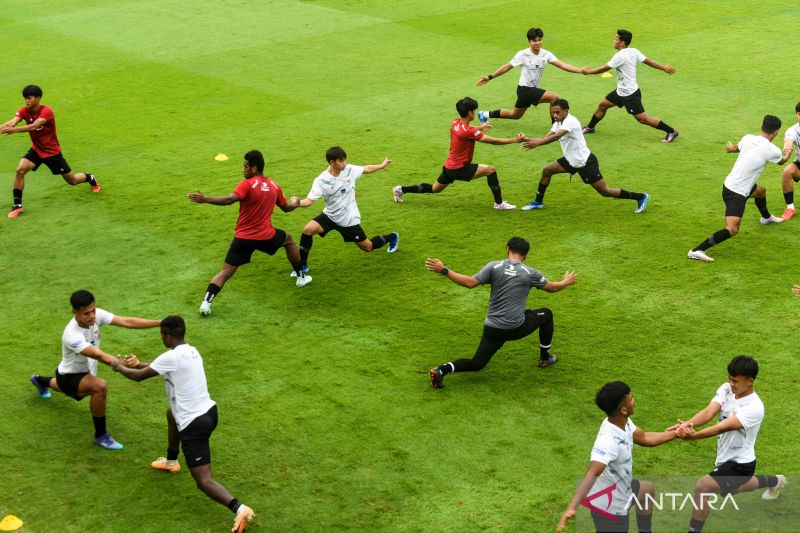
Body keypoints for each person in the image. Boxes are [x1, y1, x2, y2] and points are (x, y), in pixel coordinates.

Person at [112, 316, 255, 533]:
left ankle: (239, 508)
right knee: (172, 414)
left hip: (194, 424)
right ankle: (171, 461)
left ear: (167, 336)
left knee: (203, 480)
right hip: (210, 412)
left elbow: (139, 377)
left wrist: (118, 366)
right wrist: (138, 363)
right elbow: (159, 367)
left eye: (161, 335)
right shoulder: (190, 351)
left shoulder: (171, 356)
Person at [426, 237, 575, 389]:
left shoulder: (494, 267)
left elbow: (469, 283)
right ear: (526, 255)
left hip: (493, 329)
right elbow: (552, 288)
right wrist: (565, 281)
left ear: (507, 249)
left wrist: (444, 270)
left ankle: (441, 370)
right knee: (546, 314)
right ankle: (545, 358)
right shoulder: (530, 273)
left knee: (477, 363)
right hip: (516, 328)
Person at [29, 290, 161, 450]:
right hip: (70, 376)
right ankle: (101, 436)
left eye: (93, 310)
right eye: (86, 313)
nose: (92, 316)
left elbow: (126, 321)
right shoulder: (71, 335)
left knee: (65, 389)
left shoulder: (96, 315)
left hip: (71, 373)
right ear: (74, 312)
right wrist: (122, 364)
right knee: (99, 387)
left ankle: (39, 380)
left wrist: (161, 323)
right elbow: (97, 354)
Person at [670, 356, 786, 533]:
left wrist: (693, 437)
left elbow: (721, 427)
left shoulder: (755, 407)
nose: (731, 383)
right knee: (734, 488)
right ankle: (775, 481)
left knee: (703, 486)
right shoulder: (726, 390)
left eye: (735, 380)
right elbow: (709, 412)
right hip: (725, 460)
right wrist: (688, 424)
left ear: (750, 381)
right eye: (729, 378)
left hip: (741, 464)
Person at [188, 150, 310, 316]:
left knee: (225, 272)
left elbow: (230, 199)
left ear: (254, 168)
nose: (242, 170)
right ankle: (301, 277)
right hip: (266, 236)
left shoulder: (247, 184)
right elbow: (286, 208)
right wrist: (295, 202)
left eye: (245, 166)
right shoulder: (275, 186)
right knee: (288, 240)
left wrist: (205, 199)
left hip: (243, 238)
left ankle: (206, 303)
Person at [556, 381, 678, 533]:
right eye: (631, 399)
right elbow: (592, 473)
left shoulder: (622, 423)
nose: (634, 401)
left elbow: (646, 438)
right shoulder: (608, 441)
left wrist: (676, 433)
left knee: (646, 490)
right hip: (609, 508)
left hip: (622, 490)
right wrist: (572, 507)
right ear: (624, 409)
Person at [688, 115, 789, 262]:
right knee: (732, 229)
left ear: (761, 127)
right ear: (776, 133)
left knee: (760, 192)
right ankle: (697, 250)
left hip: (731, 184)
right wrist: (787, 152)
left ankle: (766, 218)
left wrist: (730, 149)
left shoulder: (748, 138)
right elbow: (782, 161)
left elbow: (738, 147)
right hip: (736, 193)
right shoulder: (772, 150)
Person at [392, 97, 524, 209]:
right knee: (490, 170)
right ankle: (499, 204)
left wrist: (480, 127)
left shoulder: (455, 122)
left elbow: (466, 128)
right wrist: (513, 140)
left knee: (434, 189)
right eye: (474, 111)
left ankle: (401, 189)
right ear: (470, 113)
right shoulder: (469, 131)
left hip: (449, 166)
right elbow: (492, 141)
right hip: (459, 168)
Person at [520, 99, 650, 212]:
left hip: (585, 162)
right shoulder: (558, 122)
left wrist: (536, 143)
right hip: (570, 160)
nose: (554, 115)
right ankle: (538, 202)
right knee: (547, 171)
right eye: (553, 112)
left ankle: (640, 197)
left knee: (605, 191)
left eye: (557, 112)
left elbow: (556, 136)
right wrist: (527, 139)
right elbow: (546, 138)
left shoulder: (571, 121)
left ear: (566, 111)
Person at [291, 146, 398, 275]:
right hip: (330, 215)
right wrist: (297, 203)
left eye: (344, 160)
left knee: (367, 247)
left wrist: (382, 165)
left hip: (348, 219)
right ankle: (302, 266)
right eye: (341, 161)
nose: (344, 164)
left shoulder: (349, 170)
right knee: (308, 229)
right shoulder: (321, 180)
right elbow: (309, 201)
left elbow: (366, 169)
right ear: (332, 162)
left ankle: (392, 237)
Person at [0, 84, 99, 218]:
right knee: (20, 169)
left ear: (38, 98)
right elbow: (12, 122)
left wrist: (14, 130)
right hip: (36, 150)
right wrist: (5, 126)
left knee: (73, 181)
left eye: (29, 98)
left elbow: (35, 126)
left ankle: (90, 177)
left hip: (52, 152)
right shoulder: (24, 111)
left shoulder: (46, 111)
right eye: (25, 98)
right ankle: (18, 205)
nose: (26, 101)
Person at [580, 30, 679, 143]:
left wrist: (589, 72)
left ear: (622, 43)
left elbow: (605, 68)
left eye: (616, 39)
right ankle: (590, 127)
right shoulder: (633, 51)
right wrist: (664, 68)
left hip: (629, 94)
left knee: (644, 119)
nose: (614, 40)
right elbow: (649, 61)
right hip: (621, 91)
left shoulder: (620, 56)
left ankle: (671, 131)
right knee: (603, 105)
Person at [474, 27, 583, 124]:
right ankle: (555, 126)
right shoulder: (523, 54)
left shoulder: (546, 54)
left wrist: (580, 70)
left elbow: (562, 65)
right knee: (554, 98)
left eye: (539, 40)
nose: (537, 43)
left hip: (529, 90)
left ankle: (484, 114)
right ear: (529, 41)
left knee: (515, 115)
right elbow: (507, 67)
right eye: (534, 41)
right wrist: (489, 77)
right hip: (525, 89)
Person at [779, 102, 800, 220]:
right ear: (797, 114)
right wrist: (787, 148)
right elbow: (789, 141)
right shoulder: (793, 130)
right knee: (787, 172)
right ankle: (790, 208)